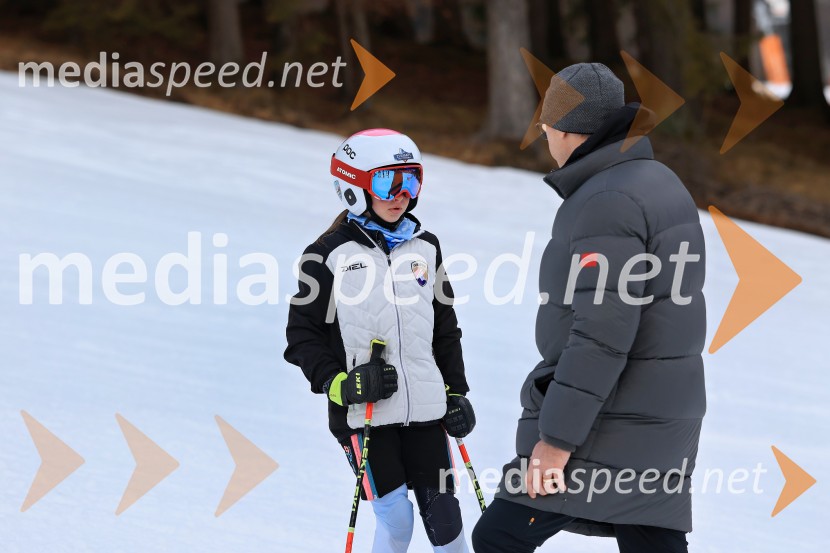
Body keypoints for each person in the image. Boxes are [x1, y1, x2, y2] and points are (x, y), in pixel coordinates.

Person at [472, 63, 706, 552]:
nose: (545, 142)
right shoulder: (658, 181)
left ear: (566, 130)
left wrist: (556, 441)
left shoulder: (607, 201)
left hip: (612, 416)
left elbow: (602, 332)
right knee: (651, 539)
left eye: (545, 130)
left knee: (498, 538)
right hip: (660, 417)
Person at [284, 128, 476, 553]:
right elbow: (301, 336)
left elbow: (445, 327)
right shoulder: (326, 255)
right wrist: (341, 385)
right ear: (353, 186)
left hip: (427, 409)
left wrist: (457, 393)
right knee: (397, 518)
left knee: (445, 518)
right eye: (390, 181)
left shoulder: (426, 248)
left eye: (412, 180)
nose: (402, 194)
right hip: (365, 414)